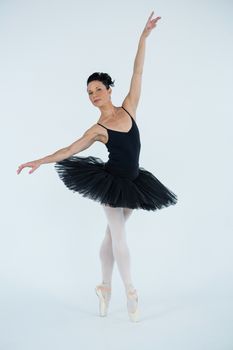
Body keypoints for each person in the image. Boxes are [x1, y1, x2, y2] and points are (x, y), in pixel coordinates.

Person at [17, 11, 177, 322]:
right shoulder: (97, 129)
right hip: (111, 183)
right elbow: (69, 149)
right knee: (119, 238)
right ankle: (130, 290)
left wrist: (143, 37)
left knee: (109, 237)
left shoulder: (129, 107)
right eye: (89, 93)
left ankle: (104, 288)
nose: (93, 96)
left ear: (109, 90)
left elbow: (139, 72)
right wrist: (39, 160)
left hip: (134, 182)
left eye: (98, 90)